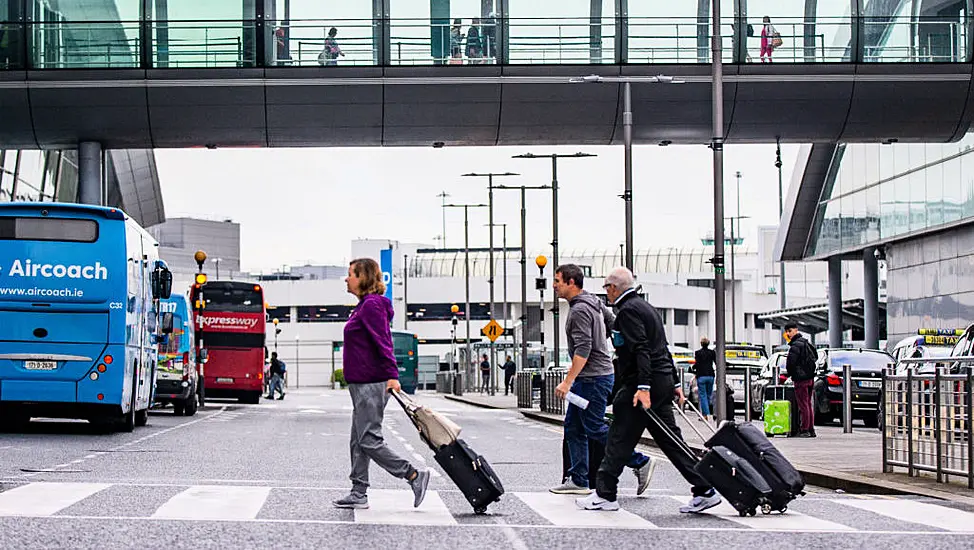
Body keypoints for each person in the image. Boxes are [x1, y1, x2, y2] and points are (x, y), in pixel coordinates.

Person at [576, 267, 721, 514]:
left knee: (618, 438)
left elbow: (641, 349)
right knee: (671, 441)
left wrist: (643, 387)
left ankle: (605, 494)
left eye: (606, 288)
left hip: (641, 387)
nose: (606, 293)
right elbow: (661, 347)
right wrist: (674, 383)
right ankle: (704, 489)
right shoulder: (646, 307)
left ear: (613, 288)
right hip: (660, 382)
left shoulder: (627, 312)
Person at [550, 264, 656, 497]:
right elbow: (614, 324)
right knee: (573, 427)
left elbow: (583, 348)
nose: (554, 285)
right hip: (596, 376)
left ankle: (639, 461)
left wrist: (567, 382)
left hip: (592, 380)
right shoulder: (594, 302)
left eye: (557, 280)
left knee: (594, 427)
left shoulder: (579, 311)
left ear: (571, 282)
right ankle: (578, 479)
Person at [333, 258, 430, 510]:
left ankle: (413, 475)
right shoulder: (364, 306)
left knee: (369, 440)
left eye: (350, 274)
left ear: (363, 277)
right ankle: (358, 492)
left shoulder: (372, 306)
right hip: (362, 383)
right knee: (358, 440)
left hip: (371, 383)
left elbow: (383, 342)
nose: (347, 279)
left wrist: (392, 375)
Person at [785, 323, 818, 438]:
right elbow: (816, 356)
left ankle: (804, 430)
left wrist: (793, 374)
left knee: (803, 405)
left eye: (790, 331)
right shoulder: (806, 342)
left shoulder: (795, 345)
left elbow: (790, 363)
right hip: (810, 378)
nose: (788, 334)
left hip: (801, 379)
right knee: (808, 404)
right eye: (787, 332)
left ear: (795, 330)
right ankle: (811, 429)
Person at [694, 337, 716, 422]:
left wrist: (693, 368)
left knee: (702, 396)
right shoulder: (712, 352)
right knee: (708, 395)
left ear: (701, 344)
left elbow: (697, 364)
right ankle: (707, 413)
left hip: (701, 376)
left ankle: (705, 415)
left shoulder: (698, 353)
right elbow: (716, 362)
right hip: (710, 375)